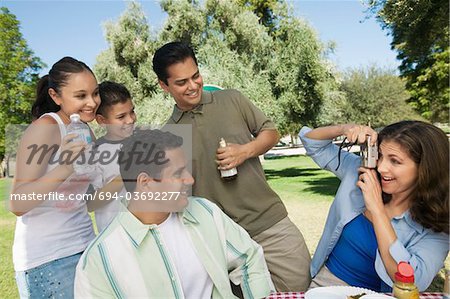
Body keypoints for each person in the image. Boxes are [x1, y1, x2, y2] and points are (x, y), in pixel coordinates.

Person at [152, 41, 311, 291]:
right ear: (164, 86)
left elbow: (270, 132)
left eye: (196, 76)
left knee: (300, 288)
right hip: (220, 242)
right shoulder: (167, 136)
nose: (193, 86)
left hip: (269, 223)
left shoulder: (232, 100)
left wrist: (244, 151)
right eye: (181, 82)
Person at [74, 129, 275, 298]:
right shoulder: (99, 260)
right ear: (146, 183)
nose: (190, 180)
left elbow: (249, 259)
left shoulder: (206, 213)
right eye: (178, 174)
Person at [299, 121, 449, 292]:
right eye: (380, 156)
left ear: (425, 169)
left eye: (395, 161)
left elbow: (415, 281)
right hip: (328, 284)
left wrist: (377, 210)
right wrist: (343, 129)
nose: (381, 167)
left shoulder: (438, 223)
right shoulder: (361, 172)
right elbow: (312, 143)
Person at [9, 57, 100, 298]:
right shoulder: (46, 128)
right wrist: (66, 167)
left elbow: (87, 197)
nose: (92, 102)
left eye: (95, 93)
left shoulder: (86, 130)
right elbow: (18, 203)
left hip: (85, 247)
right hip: (50, 259)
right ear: (56, 96)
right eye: (81, 96)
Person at [90, 81, 136, 232]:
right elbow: (90, 203)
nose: (130, 120)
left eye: (132, 111)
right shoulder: (95, 153)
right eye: (121, 116)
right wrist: (126, 174)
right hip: (115, 237)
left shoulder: (144, 143)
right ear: (102, 121)